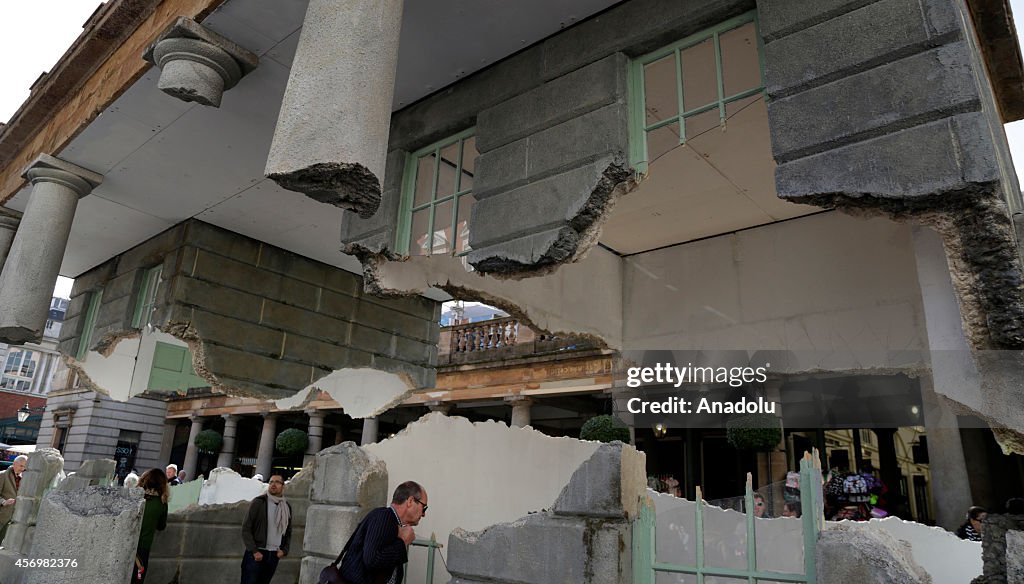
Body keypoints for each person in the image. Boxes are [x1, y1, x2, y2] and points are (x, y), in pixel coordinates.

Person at [336, 481, 428, 584]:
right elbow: (372, 560)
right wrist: (402, 542)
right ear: (410, 501)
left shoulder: (391, 522)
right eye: (424, 508)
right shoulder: (384, 517)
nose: (423, 514)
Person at [241, 474, 292, 584]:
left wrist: (284, 550)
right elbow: (246, 528)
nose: (273, 484)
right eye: (271, 482)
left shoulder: (286, 507)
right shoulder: (259, 502)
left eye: (277, 482)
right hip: (257, 554)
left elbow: (288, 532)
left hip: (274, 555)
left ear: (283, 486)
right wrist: (254, 551)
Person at [132, 469, 169, 584]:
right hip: (143, 548)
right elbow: (161, 526)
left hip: (126, 543)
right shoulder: (161, 504)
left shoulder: (133, 497)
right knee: (137, 580)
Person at [0, 455, 27, 543]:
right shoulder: (3, 475)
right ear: (15, 464)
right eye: (21, 466)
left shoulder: (24, 479)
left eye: (25, 467)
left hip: (11, 518)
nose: (23, 469)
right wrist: (4, 502)